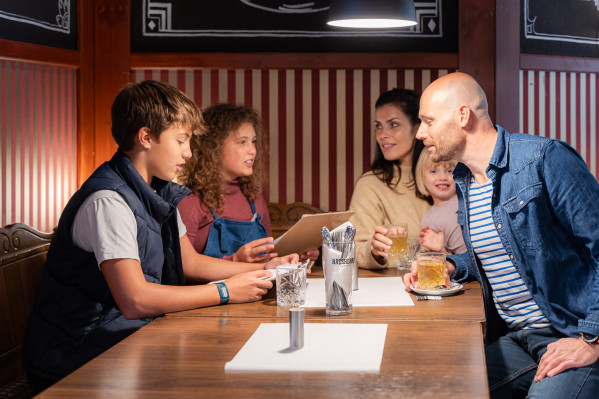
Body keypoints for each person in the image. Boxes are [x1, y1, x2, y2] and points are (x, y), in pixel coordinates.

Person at [22, 81, 298, 388]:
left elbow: (190, 262)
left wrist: (263, 269)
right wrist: (225, 291)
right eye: (181, 141)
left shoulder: (156, 192)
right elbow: (135, 300)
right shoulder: (108, 201)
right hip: (74, 351)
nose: (189, 153)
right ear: (146, 137)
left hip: (121, 331)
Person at [404, 72, 599, 398]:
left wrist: (592, 339)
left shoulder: (543, 158)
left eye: (428, 121)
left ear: (462, 116)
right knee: (434, 388)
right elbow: (507, 251)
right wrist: (453, 265)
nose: (421, 132)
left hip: (571, 333)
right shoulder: (466, 181)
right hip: (515, 338)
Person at [177, 103, 319, 263]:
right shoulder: (190, 200)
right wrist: (235, 260)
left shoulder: (254, 198)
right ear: (213, 147)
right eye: (242, 142)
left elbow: (267, 258)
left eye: (253, 141)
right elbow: (181, 269)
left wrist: (295, 255)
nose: (252, 150)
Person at [349, 88, 432, 269]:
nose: (382, 134)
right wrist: (374, 251)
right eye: (378, 126)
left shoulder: (444, 177)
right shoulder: (370, 184)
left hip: (443, 282)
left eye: (393, 124)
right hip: (393, 287)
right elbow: (354, 248)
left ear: (417, 128)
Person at [415, 149, 466, 254]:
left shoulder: (469, 200)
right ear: (421, 175)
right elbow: (447, 264)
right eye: (434, 171)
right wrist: (441, 249)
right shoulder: (429, 220)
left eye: (450, 171)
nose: (442, 177)